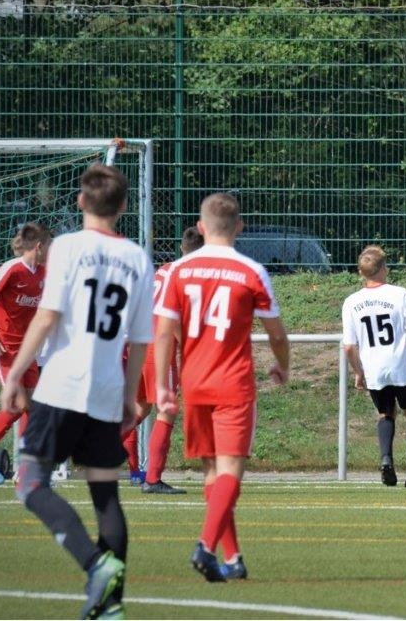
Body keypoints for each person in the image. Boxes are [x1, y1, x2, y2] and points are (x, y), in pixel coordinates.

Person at [0, 162, 154, 619]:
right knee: (105, 495)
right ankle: (111, 606)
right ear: (123, 206)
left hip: (62, 386)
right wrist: (128, 396)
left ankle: (94, 564)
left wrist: (15, 373)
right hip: (106, 392)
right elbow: (140, 339)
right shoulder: (137, 258)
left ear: (81, 200)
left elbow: (47, 316)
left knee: (30, 484)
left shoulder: (66, 247)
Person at [154, 193, 291, 582]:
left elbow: (163, 331)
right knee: (231, 470)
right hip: (233, 382)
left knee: (212, 471)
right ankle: (205, 545)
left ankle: (233, 558)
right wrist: (282, 365)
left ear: (201, 227)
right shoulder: (251, 271)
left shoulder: (179, 270)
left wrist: (164, 385)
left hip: (194, 382)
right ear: (239, 227)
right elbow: (276, 334)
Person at [341, 245, 406, 488]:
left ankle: (386, 459)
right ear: (384, 269)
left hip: (374, 368)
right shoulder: (400, 294)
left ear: (361, 272)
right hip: (401, 367)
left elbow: (349, 346)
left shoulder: (351, 302)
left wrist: (358, 371)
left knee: (385, 413)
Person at [121, 226, 204, 494]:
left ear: (181, 248)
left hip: (138, 343)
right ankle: (153, 479)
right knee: (167, 410)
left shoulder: (163, 270)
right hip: (159, 348)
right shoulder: (189, 276)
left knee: (140, 408)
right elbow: (173, 317)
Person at [0, 223, 51, 484]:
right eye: (50, 246)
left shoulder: (44, 273)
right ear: (39, 246)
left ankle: (26, 469)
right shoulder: (12, 269)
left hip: (26, 350)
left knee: (34, 407)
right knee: (17, 403)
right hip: (2, 347)